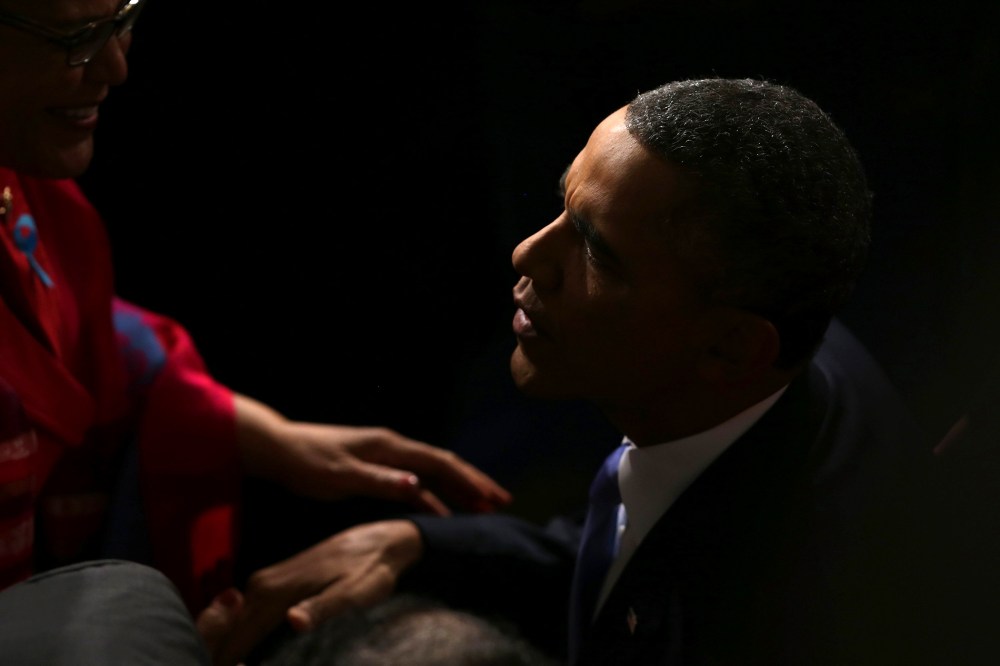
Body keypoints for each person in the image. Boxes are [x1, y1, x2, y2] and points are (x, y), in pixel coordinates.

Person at [200, 77, 934, 666]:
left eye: (597, 253)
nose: (527, 254)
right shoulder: (767, 353)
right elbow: (639, 538)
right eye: (562, 207)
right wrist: (420, 543)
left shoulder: (792, 620)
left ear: (731, 350)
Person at [0, 0, 510, 628]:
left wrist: (270, 438)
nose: (115, 68)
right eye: (73, 37)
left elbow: (73, 326)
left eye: (121, 21)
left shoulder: (23, 185)